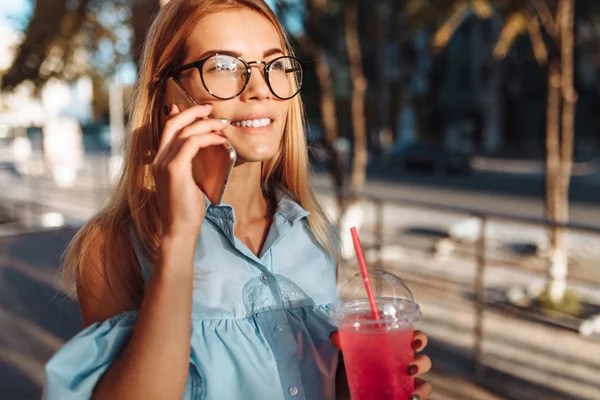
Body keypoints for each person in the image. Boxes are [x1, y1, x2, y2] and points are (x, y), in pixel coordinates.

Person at [44, 0, 432, 399]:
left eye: (276, 65)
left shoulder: (315, 236)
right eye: (225, 67)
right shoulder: (115, 247)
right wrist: (180, 237)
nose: (260, 89)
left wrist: (349, 386)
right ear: (169, 95)